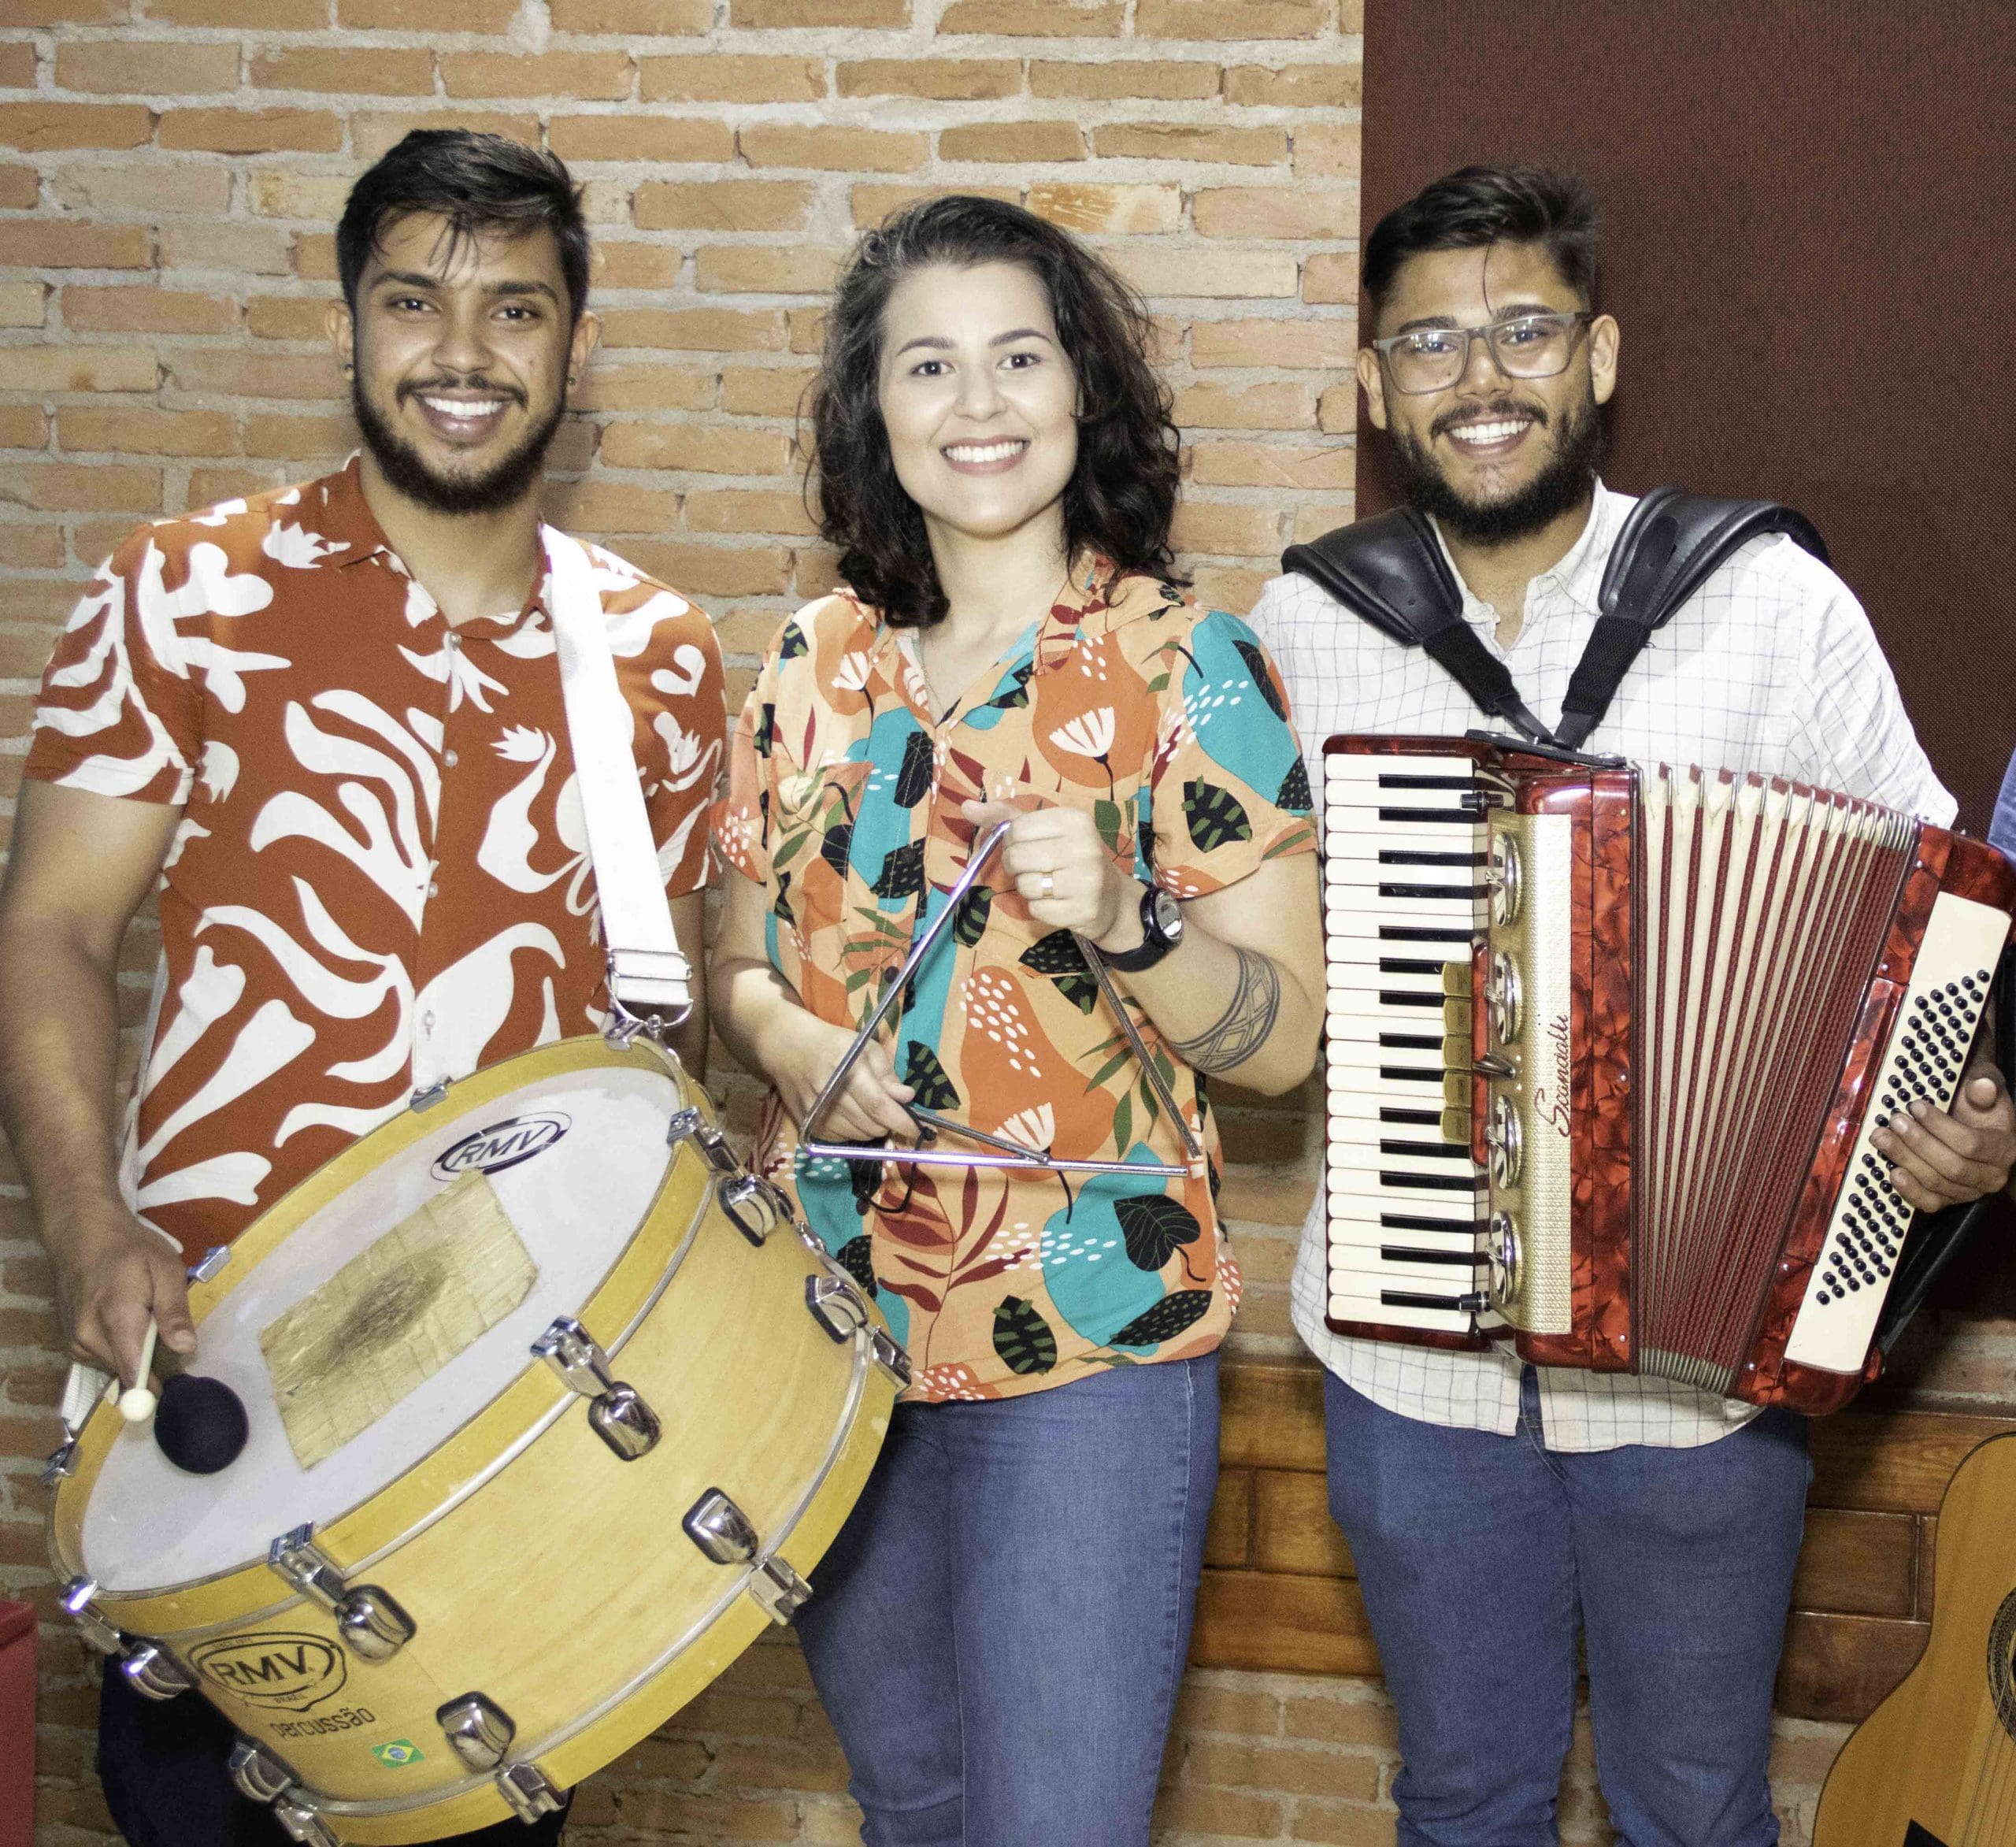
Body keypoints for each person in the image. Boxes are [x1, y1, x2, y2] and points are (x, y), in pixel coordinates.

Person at [1248, 164, 2016, 1845]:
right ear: (1374, 386)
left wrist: (1972, 1124)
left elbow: (1938, 928)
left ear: (1596, 356)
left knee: (1692, 1806)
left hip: (1695, 1372)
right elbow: (1264, 984)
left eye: (1523, 330)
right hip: (1408, 1370)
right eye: (1429, 343)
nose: (1480, 377)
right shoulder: (1302, 630)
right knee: (1465, 1800)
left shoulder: (1770, 601)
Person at [0, 129, 724, 1847]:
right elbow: (51, 933)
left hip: (503, 1422)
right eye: (413, 302)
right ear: (347, 325)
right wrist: (89, 1225)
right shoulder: (180, 594)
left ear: (573, 348)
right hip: (212, 1376)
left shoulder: (659, 654)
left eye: (514, 309)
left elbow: (666, 1035)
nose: (462, 353)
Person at [707, 194, 1323, 1845]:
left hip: (1086, 1343)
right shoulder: (809, 661)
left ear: (1081, 388)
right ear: (874, 408)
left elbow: (1281, 1049)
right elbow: (736, 961)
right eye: (927, 365)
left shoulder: (1188, 665)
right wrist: (782, 1043)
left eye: (1018, 357)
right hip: (824, 1339)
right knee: (912, 1808)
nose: (976, 403)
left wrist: (1130, 918)